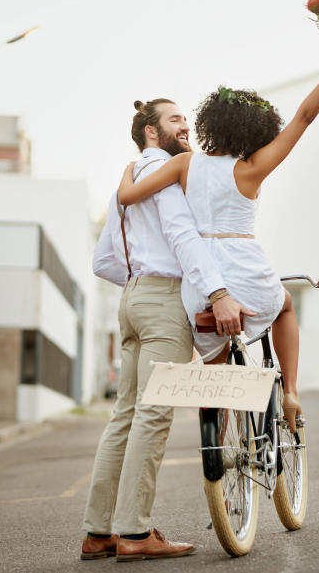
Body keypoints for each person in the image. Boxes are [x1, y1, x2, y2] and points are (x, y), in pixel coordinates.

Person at [116, 30, 319, 428]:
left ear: (211, 124)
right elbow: (305, 117)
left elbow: (129, 197)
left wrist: (127, 173)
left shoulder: (184, 165)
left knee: (217, 372)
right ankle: (291, 391)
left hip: (201, 280)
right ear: (254, 130)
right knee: (285, 306)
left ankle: (219, 456)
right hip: (245, 267)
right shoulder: (252, 168)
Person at [81, 98, 253, 562]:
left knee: (125, 416)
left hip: (131, 299)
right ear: (151, 131)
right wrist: (217, 293)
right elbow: (182, 235)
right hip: (160, 303)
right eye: (175, 118)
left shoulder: (132, 177)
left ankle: (99, 533)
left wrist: (141, 282)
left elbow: (103, 261)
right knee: (153, 415)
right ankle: (135, 534)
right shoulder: (170, 170)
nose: (186, 125)